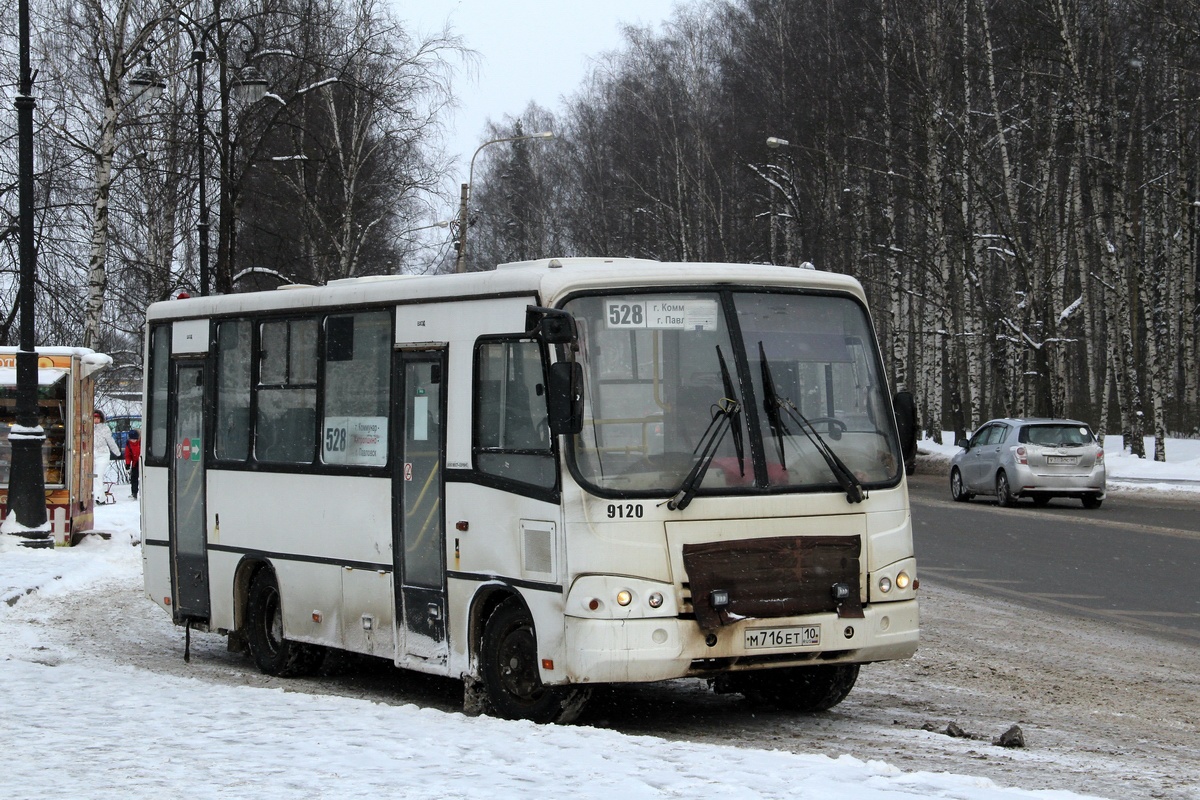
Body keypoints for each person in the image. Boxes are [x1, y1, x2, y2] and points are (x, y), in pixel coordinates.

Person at [93, 410, 121, 491]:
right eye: (95, 418)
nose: (96, 420)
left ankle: (99, 497)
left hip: (103, 455)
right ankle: (95, 495)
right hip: (92, 455)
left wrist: (117, 453)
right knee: (91, 476)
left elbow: (110, 441)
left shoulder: (105, 429)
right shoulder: (88, 428)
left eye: (98, 418)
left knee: (97, 476)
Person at [124, 429, 141, 499]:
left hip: (141, 461)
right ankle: (134, 493)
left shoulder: (141, 442)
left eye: (135, 439)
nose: (133, 441)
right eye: (132, 439)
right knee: (134, 478)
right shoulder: (128, 444)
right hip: (135, 463)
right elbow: (127, 455)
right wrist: (127, 464)